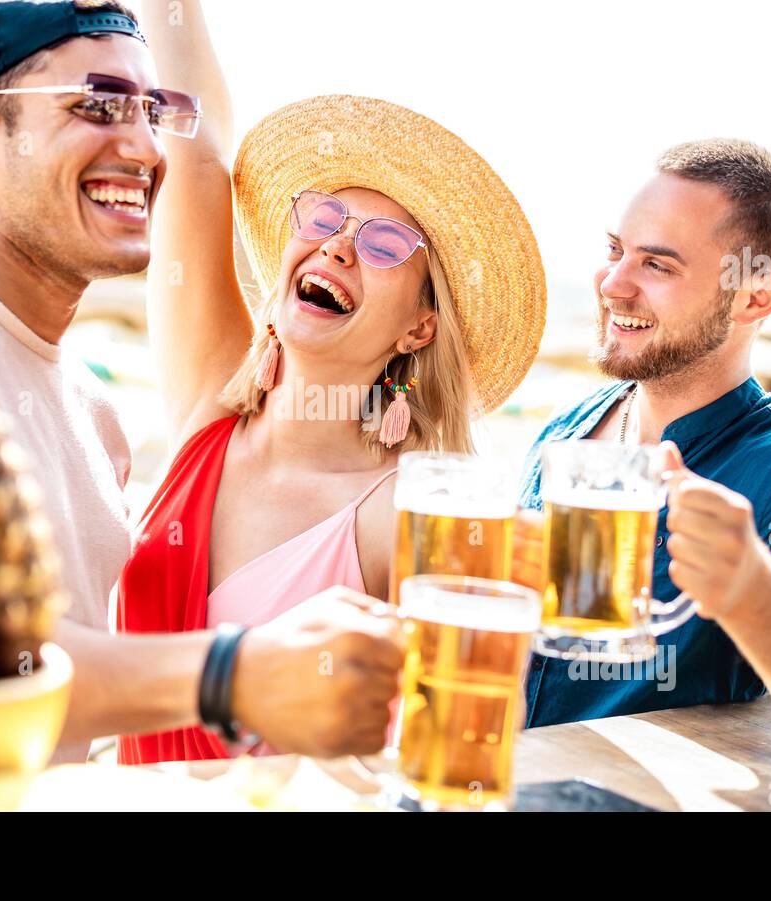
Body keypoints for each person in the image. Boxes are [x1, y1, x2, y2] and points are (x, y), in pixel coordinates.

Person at [0, 0, 404, 764]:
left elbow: (203, 157)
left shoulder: (96, 416)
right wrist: (231, 672)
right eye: (96, 106)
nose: (142, 146)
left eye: (152, 112)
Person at [114, 0, 547, 763]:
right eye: (323, 217)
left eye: (384, 243)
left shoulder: (407, 510)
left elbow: (462, 737)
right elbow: (195, 140)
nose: (339, 246)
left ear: (419, 328)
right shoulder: (208, 403)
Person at [513, 139, 771, 789]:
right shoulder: (569, 429)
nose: (613, 284)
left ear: (758, 297)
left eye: (657, 265)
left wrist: (752, 587)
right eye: (616, 251)